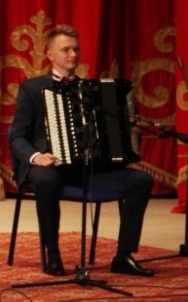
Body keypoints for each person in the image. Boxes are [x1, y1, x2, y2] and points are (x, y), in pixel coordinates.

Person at [9, 24, 155, 277]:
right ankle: (52, 253)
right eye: (65, 49)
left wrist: (129, 132)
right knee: (46, 179)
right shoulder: (31, 88)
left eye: (76, 49)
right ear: (50, 55)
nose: (73, 54)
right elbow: (17, 136)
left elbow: (111, 134)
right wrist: (36, 156)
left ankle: (123, 256)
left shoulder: (94, 90)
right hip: (49, 166)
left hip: (88, 168)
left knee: (141, 180)